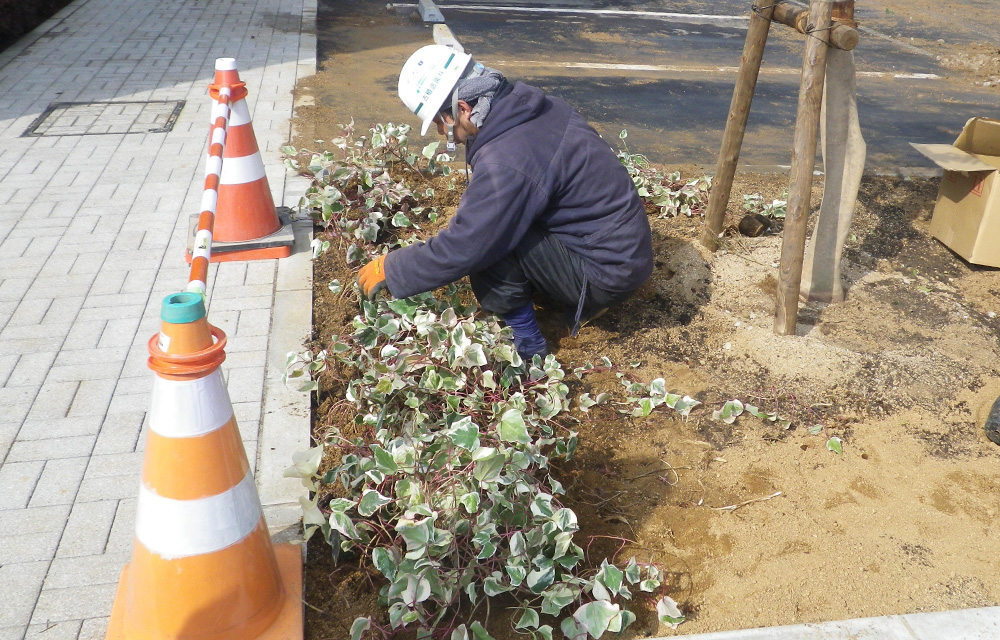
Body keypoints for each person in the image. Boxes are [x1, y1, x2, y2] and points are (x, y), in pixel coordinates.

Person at [358, 44, 653, 361]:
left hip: (606, 274)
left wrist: (393, 268)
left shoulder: (508, 158)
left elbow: (469, 244)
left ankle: (527, 347)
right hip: (622, 250)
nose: (445, 135)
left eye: (441, 125)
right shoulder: (539, 110)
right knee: (496, 219)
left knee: (490, 244)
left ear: (463, 109)